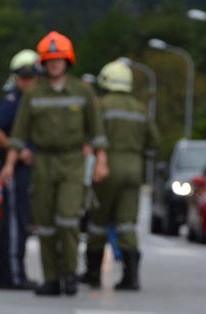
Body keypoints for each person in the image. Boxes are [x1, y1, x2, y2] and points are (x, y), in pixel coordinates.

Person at [1, 31, 108, 297]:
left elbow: (96, 131)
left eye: (58, 59)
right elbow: (19, 133)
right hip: (43, 162)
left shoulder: (83, 92)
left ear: (67, 61)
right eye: (49, 60)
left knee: (67, 219)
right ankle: (51, 278)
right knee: (46, 224)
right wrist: (10, 164)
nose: (54, 65)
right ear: (43, 63)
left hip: (72, 162)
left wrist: (101, 161)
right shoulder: (33, 94)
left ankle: (69, 274)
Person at [83, 59, 159, 290]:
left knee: (98, 221)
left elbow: (90, 134)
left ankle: (93, 273)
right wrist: (138, 155)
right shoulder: (139, 108)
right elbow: (154, 142)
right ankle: (131, 277)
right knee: (126, 224)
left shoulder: (101, 105)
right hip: (134, 170)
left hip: (106, 167)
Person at [0, 48, 41, 290]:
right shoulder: (14, 100)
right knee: (16, 224)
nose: (30, 81)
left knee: (18, 222)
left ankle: (9, 276)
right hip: (15, 171)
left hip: (21, 170)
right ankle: (14, 276)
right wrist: (18, 150)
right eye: (26, 77)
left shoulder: (26, 99)